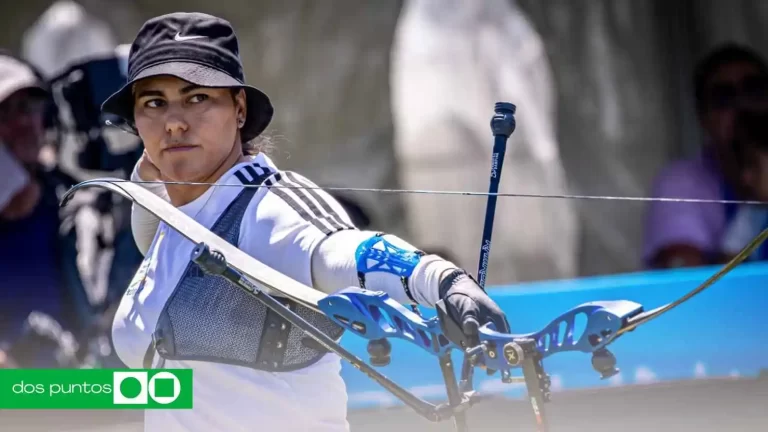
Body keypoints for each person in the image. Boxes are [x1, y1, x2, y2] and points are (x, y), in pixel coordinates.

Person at [103, 12, 511, 432]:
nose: (173, 121)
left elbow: (340, 251)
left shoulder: (268, 207)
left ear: (239, 109)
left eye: (197, 98)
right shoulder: (170, 215)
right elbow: (176, 388)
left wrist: (439, 279)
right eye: (154, 103)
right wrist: (39, 392)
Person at [0, 52, 92, 367]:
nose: (22, 122)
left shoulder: (75, 203)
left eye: (29, 107)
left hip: (74, 389)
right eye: (5, 112)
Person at [643, 43, 768, 269]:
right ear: (703, 117)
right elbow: (691, 289)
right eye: (724, 98)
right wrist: (755, 209)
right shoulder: (682, 182)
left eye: (754, 90)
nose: (743, 105)